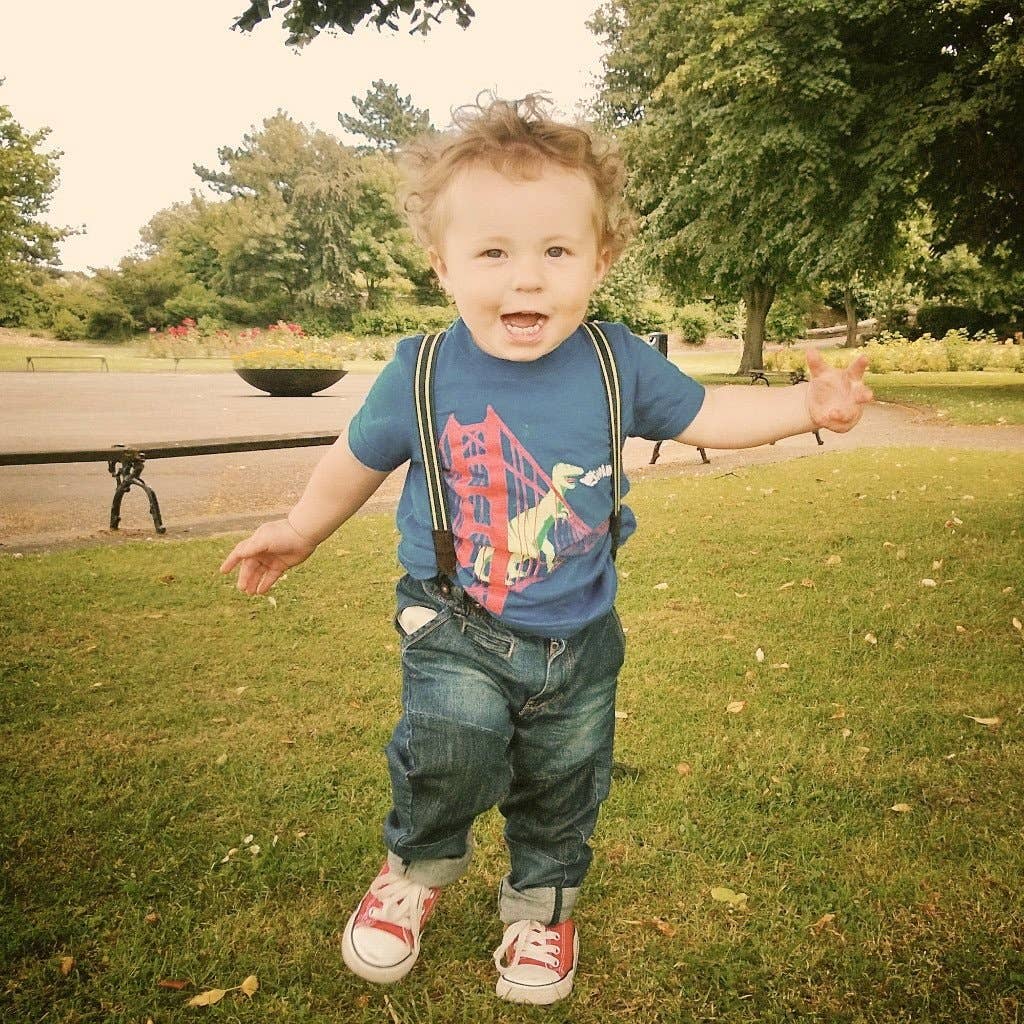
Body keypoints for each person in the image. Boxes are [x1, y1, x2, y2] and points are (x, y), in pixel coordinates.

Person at [219, 93, 873, 1006]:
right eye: (493, 253)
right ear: (441, 264)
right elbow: (354, 463)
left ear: (600, 260)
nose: (525, 280)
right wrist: (298, 529)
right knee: (451, 743)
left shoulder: (617, 363)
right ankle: (415, 870)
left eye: (556, 252)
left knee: (565, 780)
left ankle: (541, 909)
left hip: (581, 632)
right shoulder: (423, 369)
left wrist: (808, 408)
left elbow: (711, 415)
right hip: (453, 617)